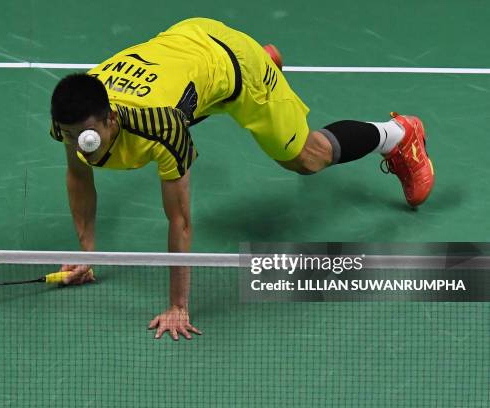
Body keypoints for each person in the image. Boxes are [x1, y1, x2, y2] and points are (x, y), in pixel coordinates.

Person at [49, 18, 435, 341]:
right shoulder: (72, 113)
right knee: (197, 97)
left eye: (87, 137)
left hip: (234, 67)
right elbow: (78, 174)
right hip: (190, 54)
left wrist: (177, 306)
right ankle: (268, 71)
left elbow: (180, 220)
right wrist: (87, 256)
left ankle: (398, 135)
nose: (81, 145)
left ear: (112, 119)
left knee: (304, 159)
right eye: (70, 136)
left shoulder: (161, 129)